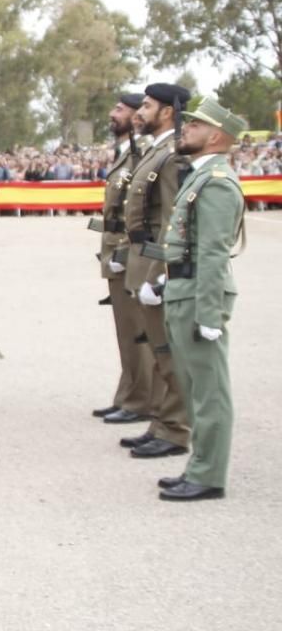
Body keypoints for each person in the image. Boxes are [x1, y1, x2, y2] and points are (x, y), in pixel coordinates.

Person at [158, 98, 246, 501]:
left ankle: (209, 475)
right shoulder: (199, 177)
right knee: (195, 388)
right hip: (183, 290)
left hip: (198, 295)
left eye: (195, 125)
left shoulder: (217, 183)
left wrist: (209, 313)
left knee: (210, 391)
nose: (185, 129)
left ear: (215, 137)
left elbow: (212, 252)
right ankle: (199, 465)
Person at [120, 83, 191, 459]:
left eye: (147, 106)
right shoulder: (155, 150)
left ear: (167, 111)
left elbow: (172, 218)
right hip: (141, 261)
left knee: (169, 352)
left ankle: (176, 430)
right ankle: (162, 422)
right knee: (159, 351)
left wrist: (163, 272)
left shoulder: (173, 154)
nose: (139, 112)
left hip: (156, 264)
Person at [90, 93, 155, 425]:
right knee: (125, 333)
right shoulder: (125, 151)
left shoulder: (143, 152)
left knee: (136, 332)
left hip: (128, 255)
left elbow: (142, 212)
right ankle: (128, 394)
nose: (113, 113)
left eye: (121, 109)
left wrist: (126, 251)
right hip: (115, 253)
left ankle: (141, 400)